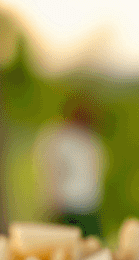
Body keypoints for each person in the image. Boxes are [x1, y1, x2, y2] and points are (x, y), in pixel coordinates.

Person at [35, 98, 107, 238]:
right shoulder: (61, 139)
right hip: (67, 206)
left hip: (88, 205)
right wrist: (53, 197)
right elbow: (53, 169)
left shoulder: (91, 141)